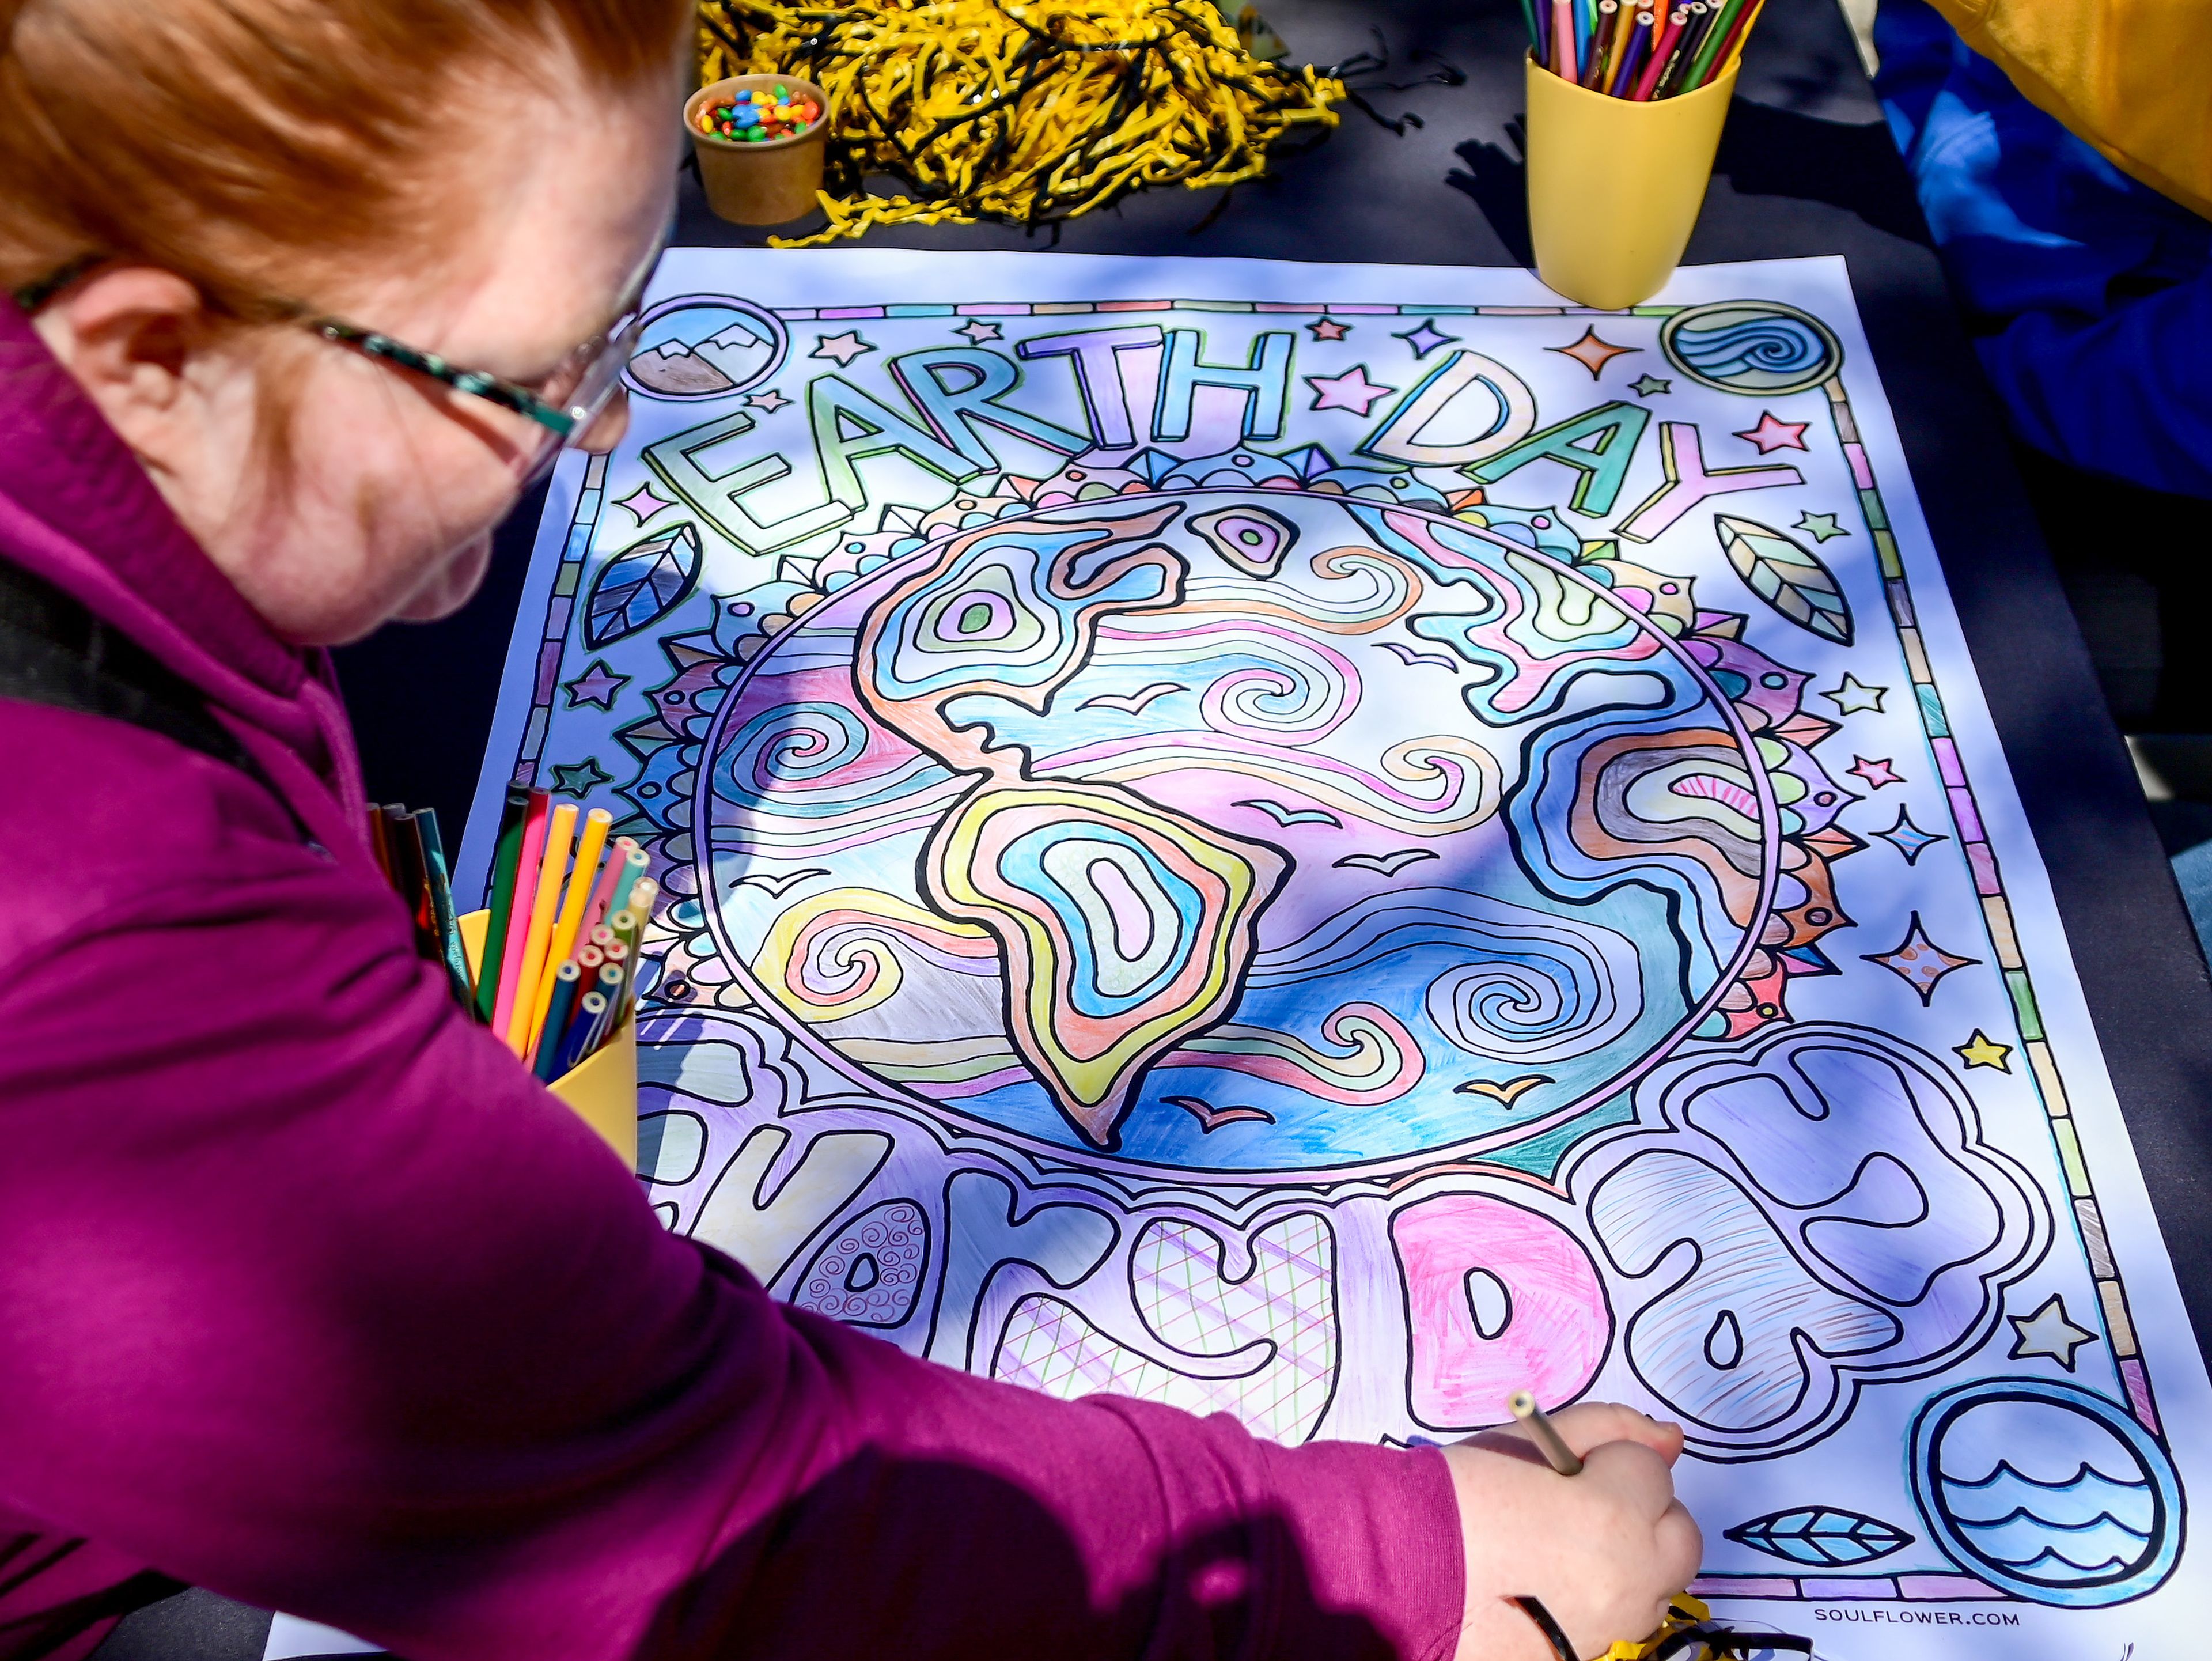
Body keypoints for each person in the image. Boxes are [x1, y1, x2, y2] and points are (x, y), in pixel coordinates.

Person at [0, 2, 1700, 1658]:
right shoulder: (86, 922)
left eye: (615, 341)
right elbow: (695, 1516)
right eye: (526, 380)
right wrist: (1419, 1562)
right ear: (149, 354)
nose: (585, 445)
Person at [1874, 0, 2212, 499]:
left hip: (2100, 406)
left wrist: (1953, 375)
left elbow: (2190, 399)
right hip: (1912, 247)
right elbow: (1939, 25)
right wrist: (1898, 141)